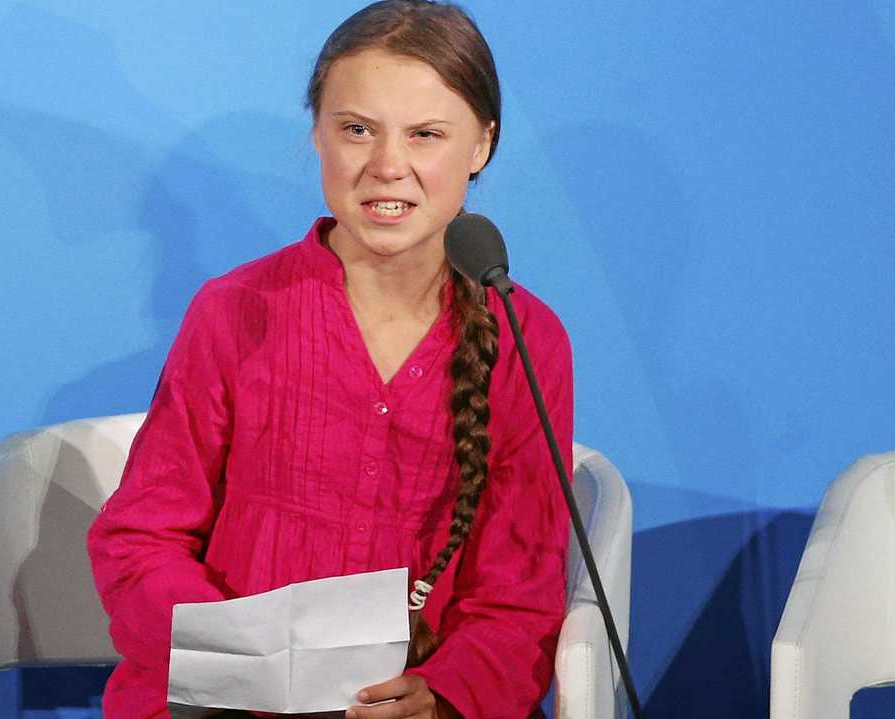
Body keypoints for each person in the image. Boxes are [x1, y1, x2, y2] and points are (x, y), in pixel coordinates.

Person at [87, 2, 574, 717]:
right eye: (357, 130)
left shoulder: (527, 339)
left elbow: (521, 591)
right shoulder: (234, 309)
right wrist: (236, 663)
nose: (387, 167)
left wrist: (442, 694)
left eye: (426, 135)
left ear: (481, 146)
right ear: (317, 133)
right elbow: (140, 539)